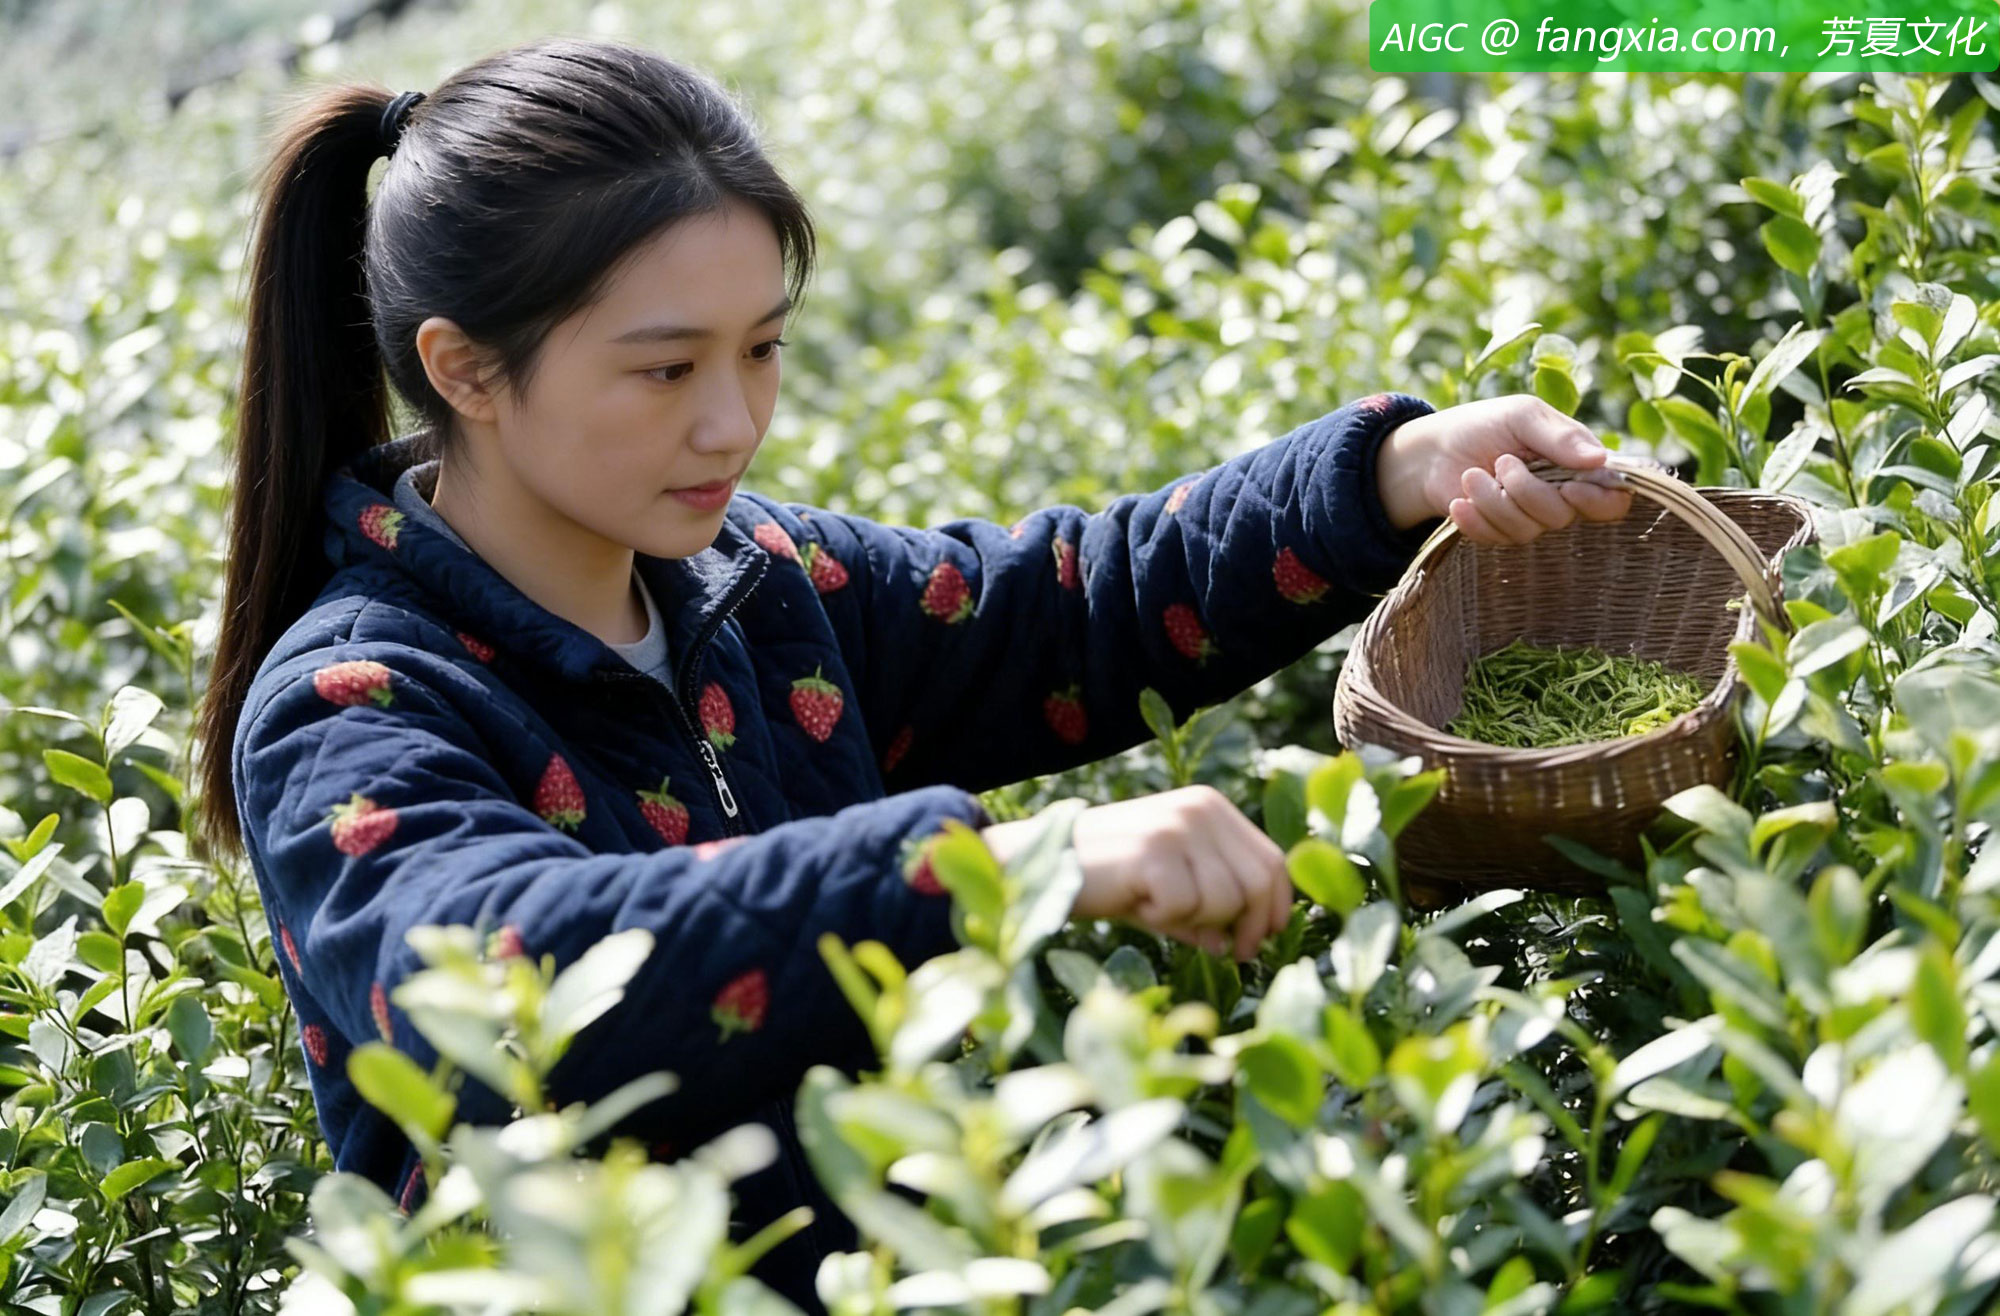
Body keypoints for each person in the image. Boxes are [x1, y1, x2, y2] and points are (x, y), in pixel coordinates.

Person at [190, 34, 1634, 1310]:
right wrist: (1002, 866)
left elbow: (1069, 610)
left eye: (761, 349)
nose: (733, 423)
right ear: (464, 368)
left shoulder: (757, 585)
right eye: (665, 368)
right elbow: (512, 974)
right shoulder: (352, 705)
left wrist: (1388, 472)